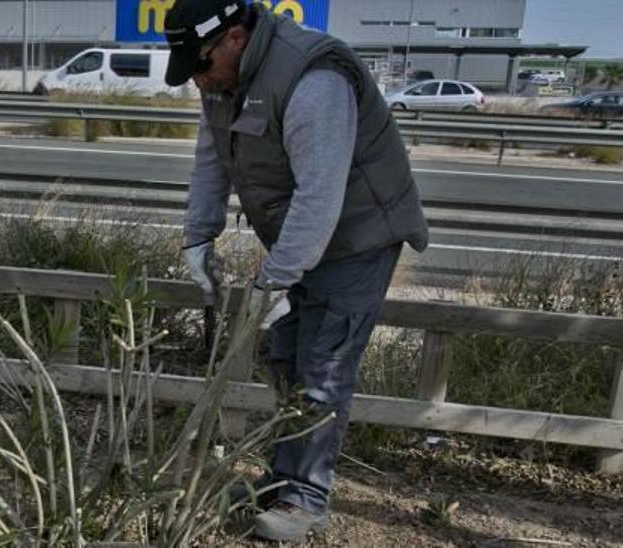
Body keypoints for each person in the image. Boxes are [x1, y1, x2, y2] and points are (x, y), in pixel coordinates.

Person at [164, 0, 429, 541]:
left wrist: (276, 278)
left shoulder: (314, 77)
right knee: (285, 356)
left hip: (358, 235)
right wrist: (198, 234)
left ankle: (305, 497)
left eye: (200, 63)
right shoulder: (222, 82)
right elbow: (212, 158)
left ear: (235, 37)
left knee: (322, 369)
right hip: (301, 237)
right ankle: (281, 480)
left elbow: (321, 194)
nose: (196, 79)